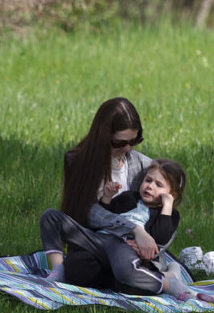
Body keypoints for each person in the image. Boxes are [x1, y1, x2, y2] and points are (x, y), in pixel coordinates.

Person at [40, 159, 188, 296]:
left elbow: (160, 238)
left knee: (125, 276)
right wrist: (106, 198)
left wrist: (167, 205)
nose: (150, 186)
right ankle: (58, 270)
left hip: (123, 249)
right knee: (52, 219)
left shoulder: (169, 214)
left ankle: (167, 282)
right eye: (148, 180)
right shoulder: (129, 197)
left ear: (172, 195)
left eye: (159, 185)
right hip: (99, 241)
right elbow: (100, 218)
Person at [60, 97, 159, 260]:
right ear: (103, 137)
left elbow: (157, 215)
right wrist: (133, 229)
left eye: (134, 141)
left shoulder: (144, 165)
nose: (127, 148)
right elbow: (84, 212)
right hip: (92, 245)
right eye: (119, 143)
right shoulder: (77, 161)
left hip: (130, 250)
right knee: (81, 269)